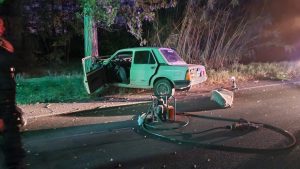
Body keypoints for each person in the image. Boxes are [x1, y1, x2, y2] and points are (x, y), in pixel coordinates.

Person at [0, 17, 25, 169]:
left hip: (8, 101)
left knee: (13, 146)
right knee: (11, 146)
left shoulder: (2, 46)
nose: (2, 28)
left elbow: (11, 52)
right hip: (1, 103)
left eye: (2, 25)